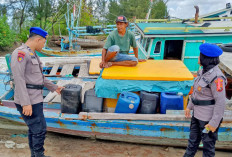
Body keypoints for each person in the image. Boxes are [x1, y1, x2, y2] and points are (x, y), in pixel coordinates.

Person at [11, 27, 64, 157]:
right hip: (29, 100)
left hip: (35, 98)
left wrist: (54, 87)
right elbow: (19, 79)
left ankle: (35, 155)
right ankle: (38, 155)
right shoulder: (20, 53)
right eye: (44, 42)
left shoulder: (32, 53)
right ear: (38, 39)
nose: (44, 45)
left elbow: (38, 77)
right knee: (39, 130)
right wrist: (25, 103)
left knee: (35, 129)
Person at [184, 43, 227, 157]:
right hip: (197, 116)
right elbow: (197, 93)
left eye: (200, 55)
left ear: (205, 58)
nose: (198, 57)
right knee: (192, 143)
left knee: (208, 148)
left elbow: (221, 102)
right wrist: (189, 106)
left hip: (208, 120)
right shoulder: (203, 72)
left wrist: (214, 123)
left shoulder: (217, 78)